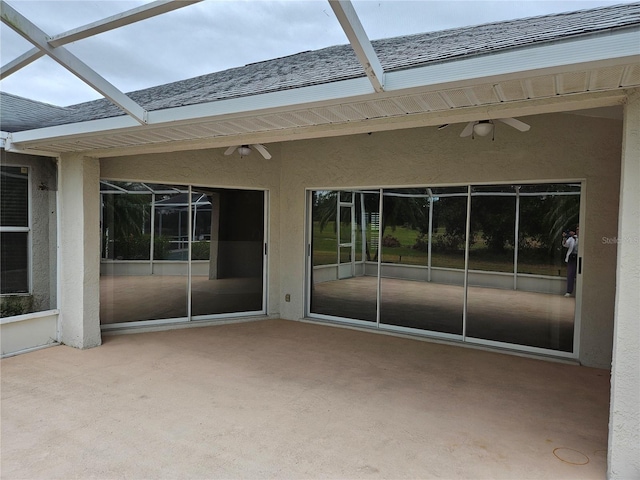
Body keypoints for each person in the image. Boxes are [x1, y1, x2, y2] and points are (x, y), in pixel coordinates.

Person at [562, 225, 579, 296]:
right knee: (570, 274)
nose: (578, 231)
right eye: (577, 229)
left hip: (580, 257)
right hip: (572, 257)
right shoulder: (572, 238)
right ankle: (569, 291)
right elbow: (565, 245)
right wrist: (565, 238)